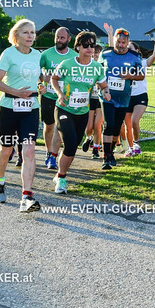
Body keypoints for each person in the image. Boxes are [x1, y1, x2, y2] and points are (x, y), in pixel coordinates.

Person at [0, 19, 45, 212]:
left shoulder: (38, 55)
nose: (30, 36)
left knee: (29, 151)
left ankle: (26, 196)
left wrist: (42, 86)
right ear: (16, 35)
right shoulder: (9, 53)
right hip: (9, 107)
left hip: (31, 108)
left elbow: (40, 78)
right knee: (6, 149)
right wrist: (16, 92)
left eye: (32, 32)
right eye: (26, 32)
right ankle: (0, 181)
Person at [51, 31, 110, 193]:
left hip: (82, 112)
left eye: (92, 45)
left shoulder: (96, 67)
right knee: (70, 143)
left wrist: (106, 93)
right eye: (85, 45)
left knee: (72, 148)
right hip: (64, 109)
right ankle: (61, 178)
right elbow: (54, 78)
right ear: (77, 47)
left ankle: (60, 173)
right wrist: (60, 94)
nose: (89, 48)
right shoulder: (68, 64)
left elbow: (104, 86)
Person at [98, 28, 144, 170]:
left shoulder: (134, 57)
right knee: (109, 125)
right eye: (118, 42)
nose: (120, 45)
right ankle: (106, 157)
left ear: (128, 42)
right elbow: (97, 73)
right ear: (114, 41)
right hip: (107, 97)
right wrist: (103, 89)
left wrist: (130, 76)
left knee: (116, 128)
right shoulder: (105, 54)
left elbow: (141, 75)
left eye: (124, 42)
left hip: (123, 99)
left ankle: (111, 152)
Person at [39, 27, 77, 170]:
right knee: (49, 126)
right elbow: (35, 70)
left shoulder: (74, 56)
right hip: (49, 95)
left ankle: (53, 155)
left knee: (60, 127)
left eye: (62, 38)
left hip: (65, 98)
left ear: (69, 39)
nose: (59, 40)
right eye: (57, 37)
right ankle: (49, 152)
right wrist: (42, 79)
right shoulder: (46, 54)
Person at [122, 34, 155, 156]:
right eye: (127, 48)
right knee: (127, 125)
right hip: (127, 97)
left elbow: (154, 56)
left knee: (134, 121)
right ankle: (130, 148)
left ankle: (136, 143)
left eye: (131, 48)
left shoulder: (142, 63)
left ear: (137, 50)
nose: (129, 50)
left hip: (140, 96)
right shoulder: (124, 64)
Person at [82, 44, 105, 159]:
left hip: (100, 99)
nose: (95, 55)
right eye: (93, 53)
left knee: (97, 125)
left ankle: (96, 148)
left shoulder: (103, 67)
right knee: (89, 126)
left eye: (97, 53)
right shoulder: (87, 67)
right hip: (90, 99)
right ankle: (89, 137)